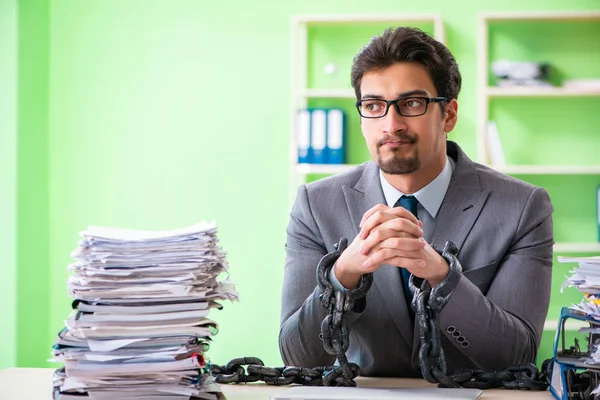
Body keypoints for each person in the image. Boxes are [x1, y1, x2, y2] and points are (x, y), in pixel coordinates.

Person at [279, 26, 554, 377]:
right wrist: (343, 274)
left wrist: (442, 276)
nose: (390, 125)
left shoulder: (524, 207)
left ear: (449, 115)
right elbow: (297, 357)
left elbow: (516, 357)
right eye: (374, 105)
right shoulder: (315, 206)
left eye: (411, 103)